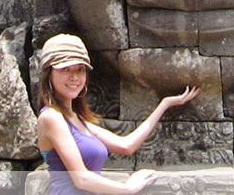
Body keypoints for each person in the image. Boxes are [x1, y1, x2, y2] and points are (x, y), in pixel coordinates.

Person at [37, 33, 200, 195]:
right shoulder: (51, 117)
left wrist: (165, 104)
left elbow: (126, 146)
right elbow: (82, 179)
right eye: (65, 69)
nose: (74, 77)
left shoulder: (77, 119)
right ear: (49, 74)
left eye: (80, 70)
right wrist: (127, 189)